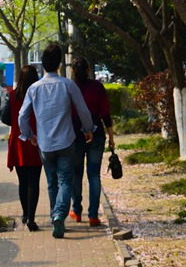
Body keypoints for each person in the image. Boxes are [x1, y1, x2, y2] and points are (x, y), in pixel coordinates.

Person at [18, 42, 94, 239]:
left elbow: (21, 116)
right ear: (59, 64)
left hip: (44, 144)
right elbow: (83, 110)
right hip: (66, 141)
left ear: (43, 65)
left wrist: (29, 136)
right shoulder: (68, 85)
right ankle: (59, 214)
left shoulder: (34, 89)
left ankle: (55, 218)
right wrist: (88, 130)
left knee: (52, 182)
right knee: (65, 180)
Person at [69, 55, 115, 227]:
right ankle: (93, 215)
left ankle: (76, 210)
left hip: (74, 135)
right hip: (97, 135)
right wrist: (111, 136)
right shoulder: (97, 87)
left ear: (72, 70)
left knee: (76, 173)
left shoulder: (69, 87)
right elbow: (105, 114)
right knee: (94, 174)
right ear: (88, 70)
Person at [6, 65, 43, 231]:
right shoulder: (40, 96)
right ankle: (32, 219)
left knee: (23, 181)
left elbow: (4, 117)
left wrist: (16, 123)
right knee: (34, 181)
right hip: (36, 140)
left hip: (18, 141)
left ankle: (25, 214)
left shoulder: (12, 95)